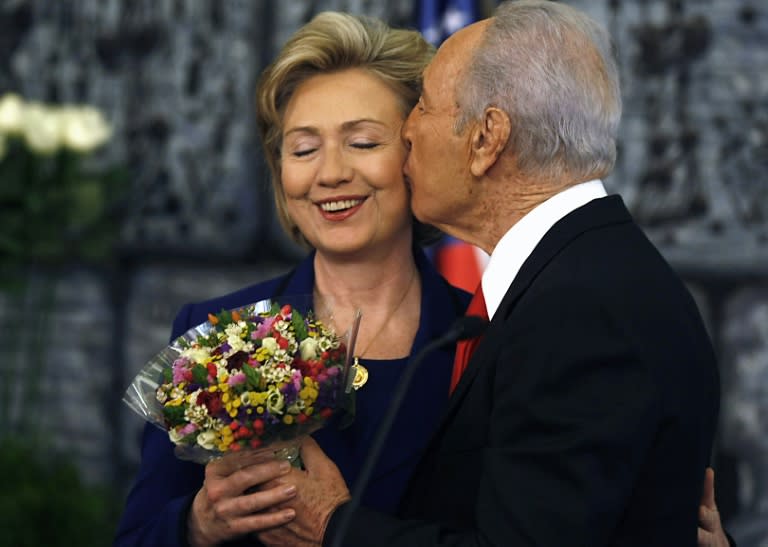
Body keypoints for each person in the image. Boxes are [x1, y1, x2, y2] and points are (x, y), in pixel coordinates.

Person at [255, 2, 723, 546]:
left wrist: (334, 526)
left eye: (424, 107)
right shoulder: (589, 276)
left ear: (486, 139)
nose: (406, 131)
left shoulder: (576, 312)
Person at [113, 12, 471, 547]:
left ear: (415, 155)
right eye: (304, 149)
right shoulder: (213, 333)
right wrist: (198, 523)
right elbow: (136, 539)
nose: (330, 173)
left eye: (364, 143)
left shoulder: (483, 332)